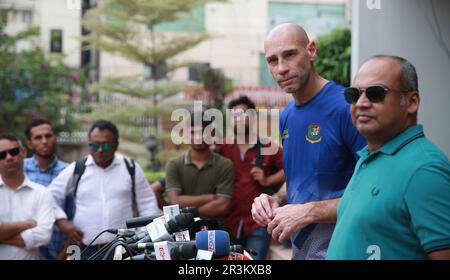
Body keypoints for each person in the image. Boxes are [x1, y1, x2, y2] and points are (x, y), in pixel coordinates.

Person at [251, 23, 366, 259]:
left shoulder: (348, 108)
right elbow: (299, 178)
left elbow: (376, 193)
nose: (281, 68)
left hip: (346, 250)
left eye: (290, 55)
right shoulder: (287, 116)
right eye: (273, 60)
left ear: (311, 51)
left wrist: (309, 212)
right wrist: (275, 199)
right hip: (303, 251)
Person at [326, 55, 450, 260]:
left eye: (376, 93)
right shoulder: (369, 156)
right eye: (354, 94)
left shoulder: (425, 169)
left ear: (411, 102)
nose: (361, 103)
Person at [48, 120, 160, 259]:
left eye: (106, 146)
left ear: (116, 145)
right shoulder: (78, 168)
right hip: (85, 250)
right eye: (94, 145)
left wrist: (141, 238)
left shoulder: (130, 167)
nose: (100, 150)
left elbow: (147, 204)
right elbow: (48, 196)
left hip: (123, 250)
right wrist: (62, 223)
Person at [220, 96, 285, 260]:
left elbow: (292, 170)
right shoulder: (224, 147)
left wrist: (267, 181)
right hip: (230, 222)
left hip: (258, 222)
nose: (237, 120)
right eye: (233, 117)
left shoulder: (268, 147)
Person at [165, 112, 234, 219]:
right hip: (182, 230)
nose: (197, 137)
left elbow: (222, 206)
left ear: (212, 133)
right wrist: (209, 198)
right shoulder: (174, 165)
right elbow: (174, 201)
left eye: (203, 132)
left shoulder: (225, 165)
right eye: (192, 132)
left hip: (214, 230)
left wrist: (187, 214)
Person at [0, 134, 55, 260]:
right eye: (2, 155)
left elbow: (44, 236)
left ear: (23, 152)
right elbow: (35, 236)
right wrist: (26, 224)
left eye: (13, 152)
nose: (9, 158)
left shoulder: (42, 193)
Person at [23, 119, 69, 260]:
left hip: (58, 253)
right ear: (30, 144)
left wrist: (64, 254)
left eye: (48, 136)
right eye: (38, 137)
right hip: (23, 251)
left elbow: (75, 220)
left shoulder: (69, 172)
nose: (44, 141)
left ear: (55, 138)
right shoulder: (18, 170)